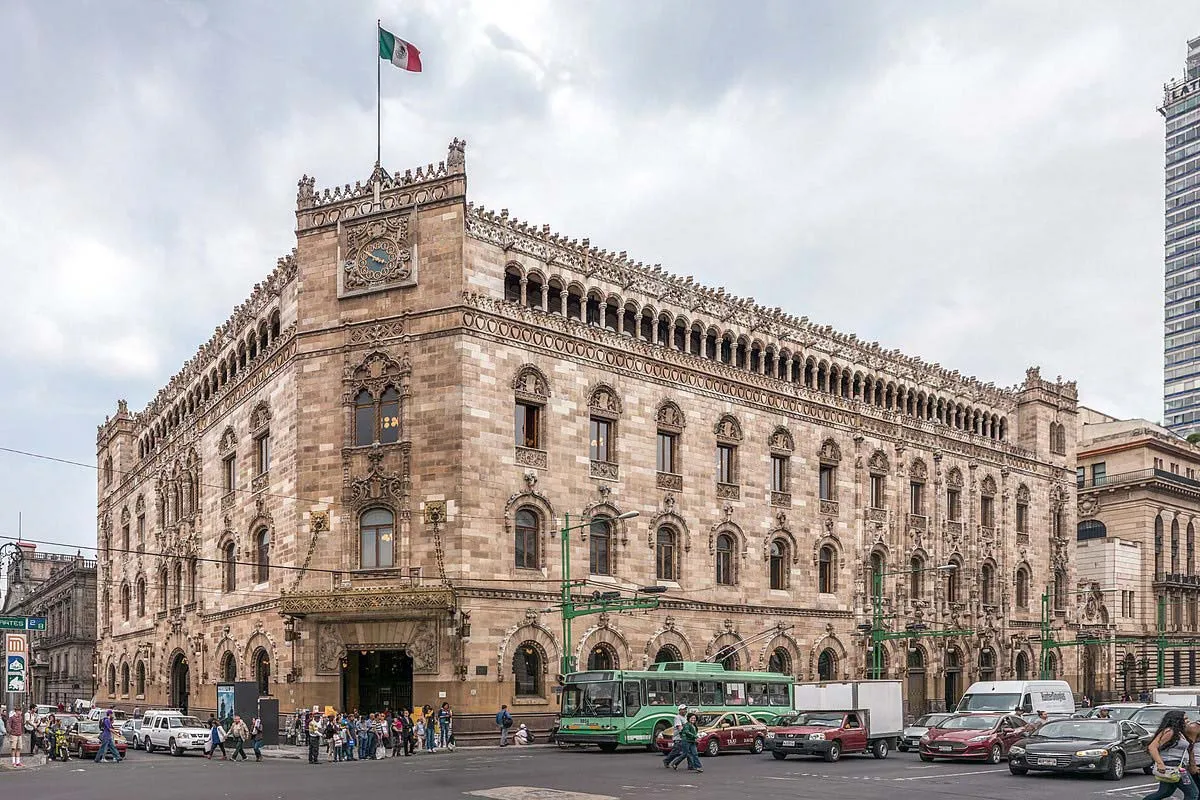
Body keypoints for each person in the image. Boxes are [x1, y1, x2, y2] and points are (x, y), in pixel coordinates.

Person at [1144, 709, 1198, 800]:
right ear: (1177, 720)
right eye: (1185, 719)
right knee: (1193, 793)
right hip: (1173, 767)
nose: (1188, 720)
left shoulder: (1179, 732)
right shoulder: (1170, 731)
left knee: (1165, 792)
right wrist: (1160, 764)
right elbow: (1152, 747)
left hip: (1179, 767)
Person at [662, 703, 688, 768]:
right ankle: (667, 761)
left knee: (688, 752)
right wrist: (685, 732)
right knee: (676, 751)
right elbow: (679, 727)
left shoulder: (685, 717)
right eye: (683, 709)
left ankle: (691, 765)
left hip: (685, 738)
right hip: (678, 738)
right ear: (679, 710)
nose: (685, 711)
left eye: (685, 709)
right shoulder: (677, 717)